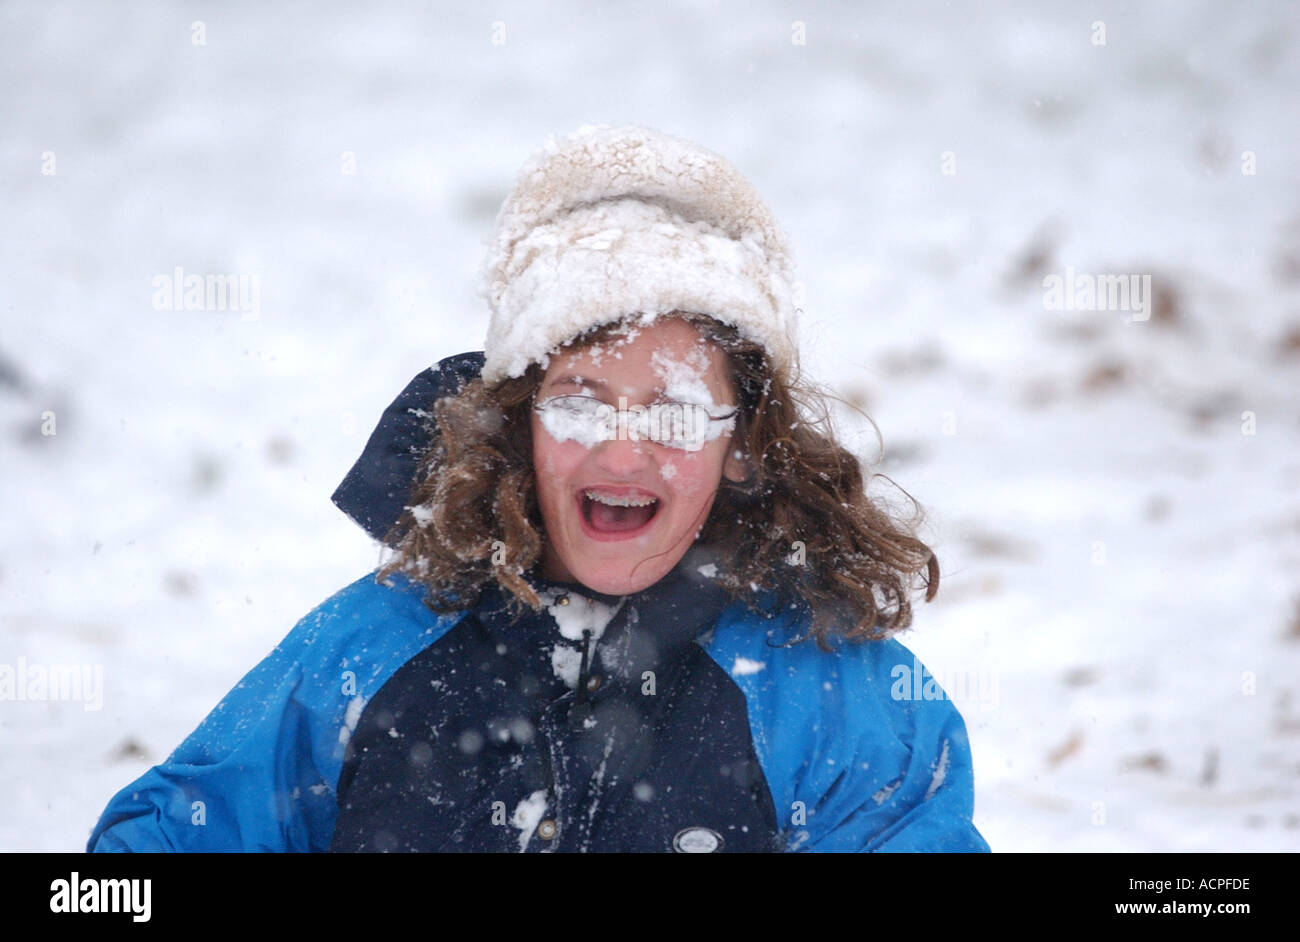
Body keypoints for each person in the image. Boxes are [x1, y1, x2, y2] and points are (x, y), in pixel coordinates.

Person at [87, 124, 991, 853]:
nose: (626, 458)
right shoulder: (371, 654)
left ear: (745, 446)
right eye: (582, 405)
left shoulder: (831, 695)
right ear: (518, 424)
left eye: (675, 416)